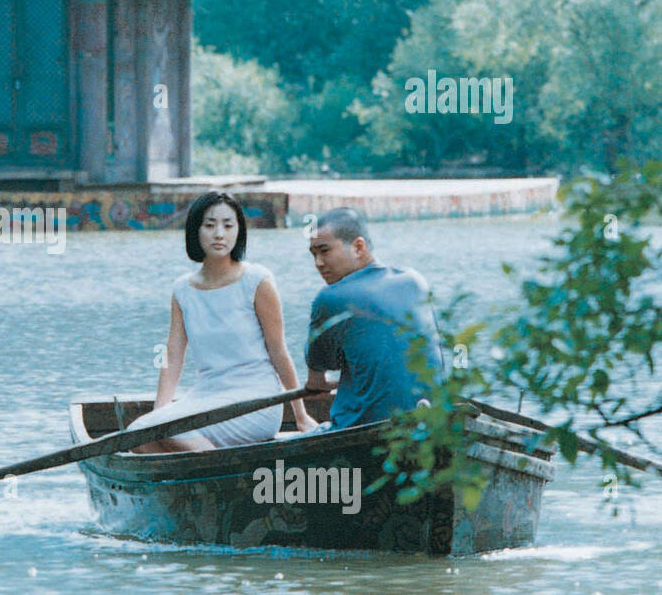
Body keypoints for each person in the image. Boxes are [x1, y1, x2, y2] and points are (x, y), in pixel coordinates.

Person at [129, 192, 316, 454]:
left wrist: (300, 415)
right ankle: (198, 481)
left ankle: (213, 469)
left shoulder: (257, 280)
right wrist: (160, 412)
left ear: (239, 231)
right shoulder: (182, 289)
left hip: (255, 400)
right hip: (205, 395)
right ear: (195, 230)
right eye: (209, 225)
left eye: (228, 225)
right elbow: (173, 355)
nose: (219, 234)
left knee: (163, 429)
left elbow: (278, 350)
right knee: (138, 435)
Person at [302, 208, 444, 428]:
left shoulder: (331, 297)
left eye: (324, 251)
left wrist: (319, 382)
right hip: (431, 420)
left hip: (366, 431)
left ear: (359, 247)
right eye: (313, 254)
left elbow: (317, 378)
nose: (318, 263)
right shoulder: (415, 280)